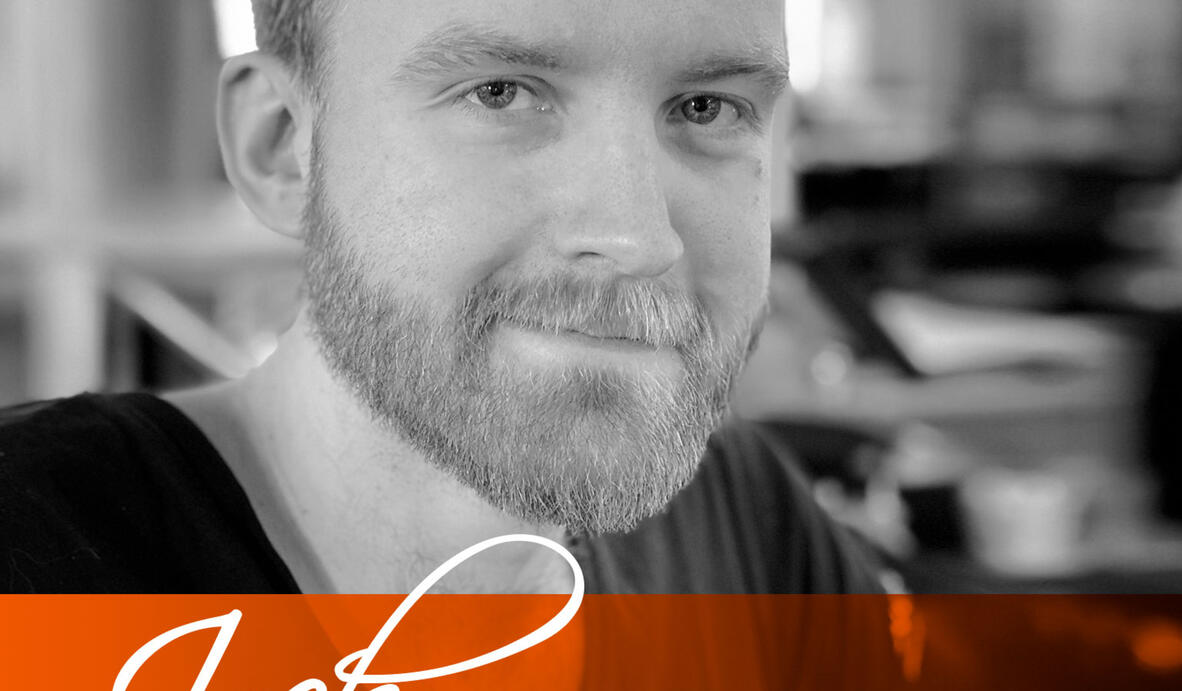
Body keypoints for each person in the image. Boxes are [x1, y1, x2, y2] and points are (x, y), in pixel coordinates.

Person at [0, 0, 884, 597]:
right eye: (501, 93)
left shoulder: (748, 529)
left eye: (706, 108)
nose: (638, 238)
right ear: (282, 145)